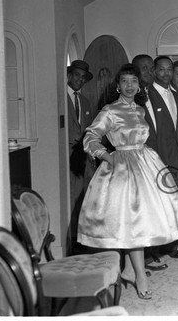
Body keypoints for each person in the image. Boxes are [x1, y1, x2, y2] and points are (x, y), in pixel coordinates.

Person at [78, 64, 178, 299]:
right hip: (122, 170)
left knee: (145, 220)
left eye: (133, 81)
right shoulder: (110, 110)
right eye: (125, 81)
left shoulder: (141, 110)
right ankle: (140, 276)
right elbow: (90, 136)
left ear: (138, 85)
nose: (129, 86)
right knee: (134, 221)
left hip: (145, 163)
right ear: (117, 85)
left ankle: (130, 270)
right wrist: (106, 155)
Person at [136, 54, 178, 263]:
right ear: (154, 72)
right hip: (157, 153)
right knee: (157, 200)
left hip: (175, 151)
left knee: (176, 197)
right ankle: (153, 249)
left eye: (169, 70)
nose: (166, 74)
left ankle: (171, 243)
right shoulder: (146, 95)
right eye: (161, 69)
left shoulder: (175, 95)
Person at [67, 59, 95, 254]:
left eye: (82, 77)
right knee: (71, 196)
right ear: (69, 75)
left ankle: (83, 237)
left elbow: (90, 128)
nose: (79, 79)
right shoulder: (61, 98)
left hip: (84, 156)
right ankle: (71, 239)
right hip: (68, 155)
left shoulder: (84, 101)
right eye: (76, 75)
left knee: (86, 196)